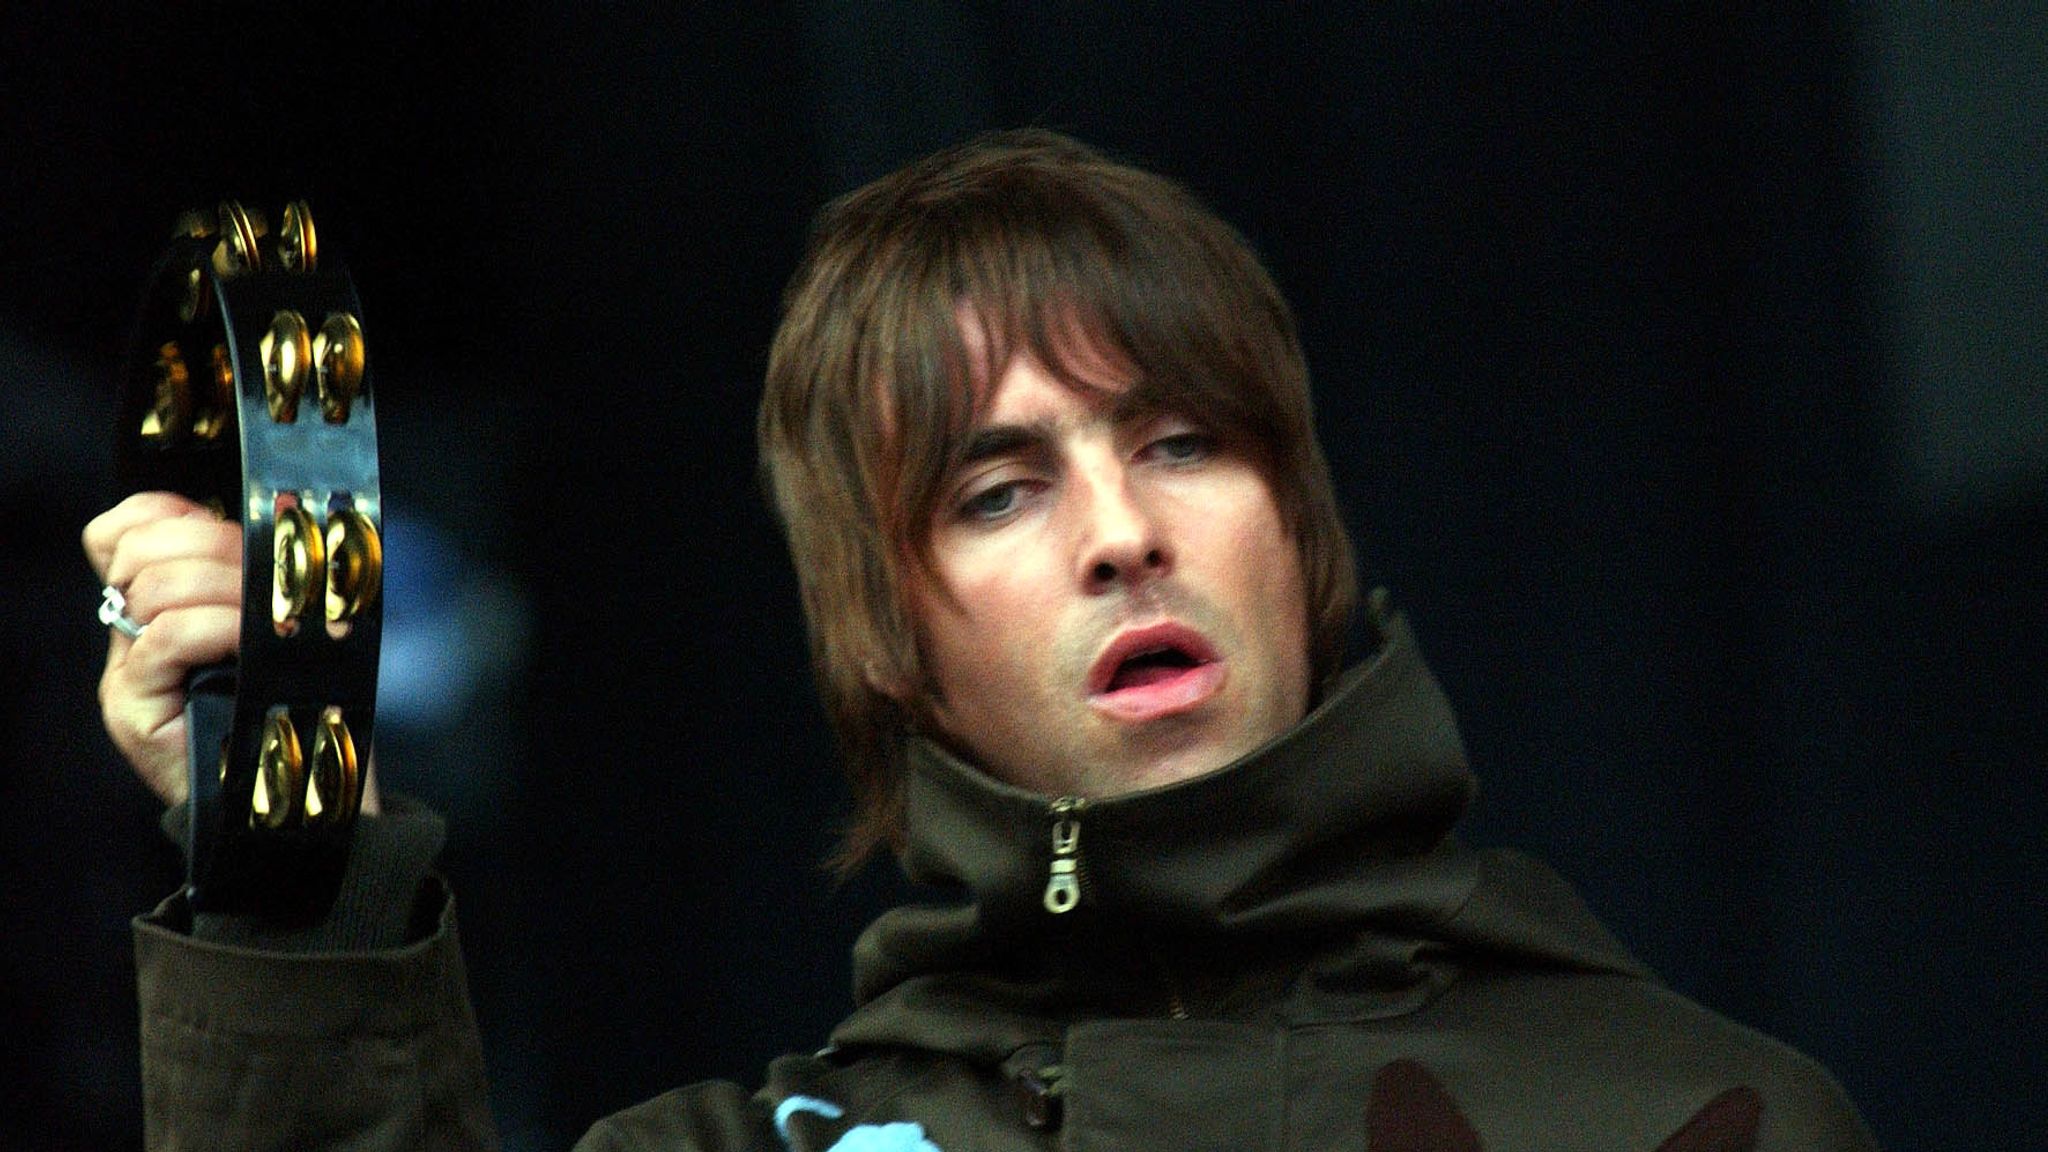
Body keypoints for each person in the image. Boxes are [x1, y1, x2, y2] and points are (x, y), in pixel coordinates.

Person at [86, 130, 1879, 1151]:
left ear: (1300, 529)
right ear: (887, 635)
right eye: (999, 491)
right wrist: (286, 869)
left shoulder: (1704, 1113)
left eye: (1185, 441)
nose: (1125, 534)